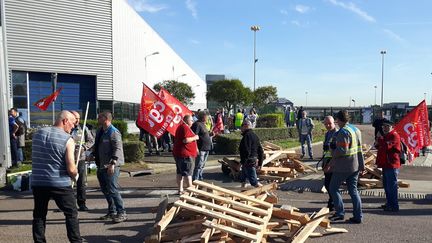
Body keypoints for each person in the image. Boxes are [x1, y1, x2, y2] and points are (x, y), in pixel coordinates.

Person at [31, 110, 82, 243]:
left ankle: (39, 241)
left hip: (38, 181)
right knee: (71, 213)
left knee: (39, 214)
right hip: (59, 183)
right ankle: (76, 241)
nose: (73, 126)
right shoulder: (67, 139)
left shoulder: (37, 134)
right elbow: (71, 168)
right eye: (72, 123)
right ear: (65, 121)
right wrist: (76, 175)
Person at [326, 110, 363, 224]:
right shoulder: (355, 129)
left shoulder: (343, 132)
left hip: (343, 167)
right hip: (355, 165)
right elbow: (359, 149)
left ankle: (340, 213)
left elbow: (341, 151)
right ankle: (358, 216)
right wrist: (362, 165)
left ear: (338, 120)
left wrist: (332, 150)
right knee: (354, 191)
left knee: (333, 188)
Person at [93, 111, 127, 223]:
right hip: (101, 164)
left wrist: (113, 163)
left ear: (106, 119)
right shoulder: (100, 131)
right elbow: (97, 145)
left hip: (111, 165)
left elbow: (117, 148)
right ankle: (111, 211)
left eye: (100, 117)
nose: (97, 118)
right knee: (105, 190)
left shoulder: (113, 132)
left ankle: (122, 213)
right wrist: (90, 154)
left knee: (112, 189)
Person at [70, 111, 95, 212]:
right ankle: (68, 203)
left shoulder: (83, 128)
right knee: (67, 182)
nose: (77, 120)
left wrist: (84, 147)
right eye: (76, 118)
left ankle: (82, 203)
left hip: (80, 158)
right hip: (68, 159)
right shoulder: (66, 128)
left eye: (79, 118)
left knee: (81, 182)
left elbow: (91, 140)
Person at [376, 120, 401, 212]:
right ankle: (389, 203)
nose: (385, 128)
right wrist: (378, 142)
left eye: (387, 126)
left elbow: (387, 146)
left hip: (391, 164)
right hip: (386, 164)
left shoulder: (394, 135)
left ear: (392, 126)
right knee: (387, 186)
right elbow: (381, 146)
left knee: (392, 186)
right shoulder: (387, 135)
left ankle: (394, 206)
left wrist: (380, 139)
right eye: (384, 126)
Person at [173, 115, 199, 194]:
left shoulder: (181, 127)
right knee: (188, 173)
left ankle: (180, 189)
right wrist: (195, 137)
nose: (193, 122)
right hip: (185, 154)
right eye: (191, 120)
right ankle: (190, 190)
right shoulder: (185, 127)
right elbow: (185, 140)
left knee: (180, 172)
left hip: (179, 153)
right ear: (187, 121)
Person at [239, 120, 264, 188]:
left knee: (253, 182)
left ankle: (266, 192)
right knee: (243, 179)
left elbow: (247, 151)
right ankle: (242, 195)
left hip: (248, 162)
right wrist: (260, 163)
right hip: (251, 160)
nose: (241, 128)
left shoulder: (247, 136)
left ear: (246, 126)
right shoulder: (255, 136)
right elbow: (261, 151)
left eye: (242, 125)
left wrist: (242, 162)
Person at [322, 116, 337, 211]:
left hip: (333, 162)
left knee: (331, 185)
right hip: (327, 161)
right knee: (328, 184)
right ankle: (332, 201)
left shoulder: (337, 133)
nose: (327, 125)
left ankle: (334, 203)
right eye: (326, 124)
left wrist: (330, 163)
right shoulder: (328, 133)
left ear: (334, 122)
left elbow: (338, 150)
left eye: (329, 123)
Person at [192, 111, 212, 181]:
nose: (208, 118)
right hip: (201, 148)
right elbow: (194, 136)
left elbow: (203, 134)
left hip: (206, 148)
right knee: (198, 165)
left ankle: (200, 178)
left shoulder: (203, 124)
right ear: (203, 117)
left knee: (202, 165)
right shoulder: (197, 124)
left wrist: (210, 134)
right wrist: (196, 148)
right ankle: (195, 179)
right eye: (207, 117)